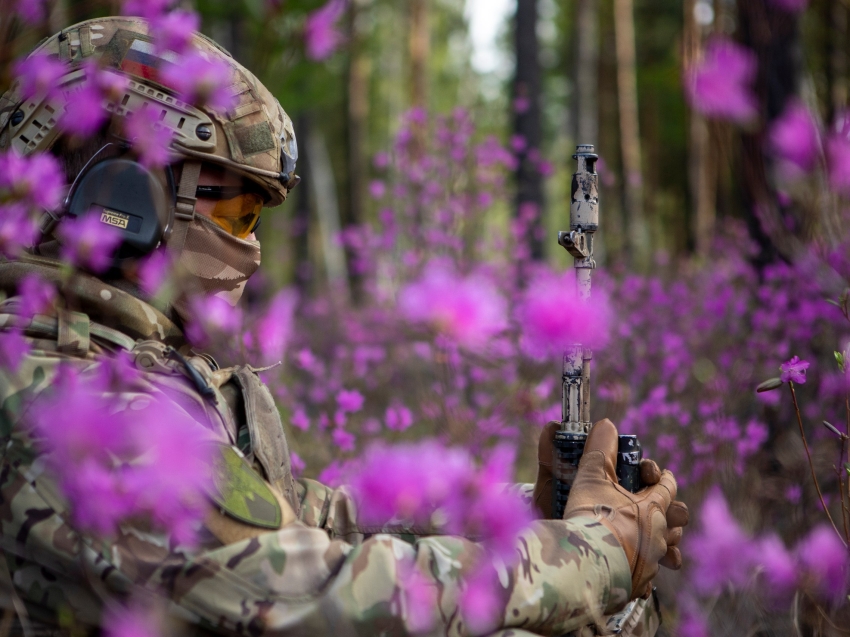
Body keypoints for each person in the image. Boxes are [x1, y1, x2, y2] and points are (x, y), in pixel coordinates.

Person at [0, 16, 688, 637]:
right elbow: (320, 592)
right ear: (120, 201)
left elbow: (298, 516)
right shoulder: (70, 404)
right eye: (237, 213)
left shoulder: (121, 365)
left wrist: (526, 512)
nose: (251, 248)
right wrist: (592, 549)